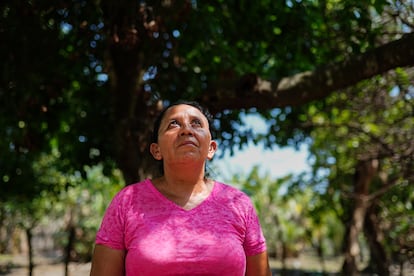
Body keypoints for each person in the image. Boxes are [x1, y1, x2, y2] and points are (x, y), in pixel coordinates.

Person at [90, 100, 271, 276]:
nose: (186, 130)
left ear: (211, 148)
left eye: (196, 123)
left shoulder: (239, 204)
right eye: (174, 124)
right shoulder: (127, 202)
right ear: (156, 150)